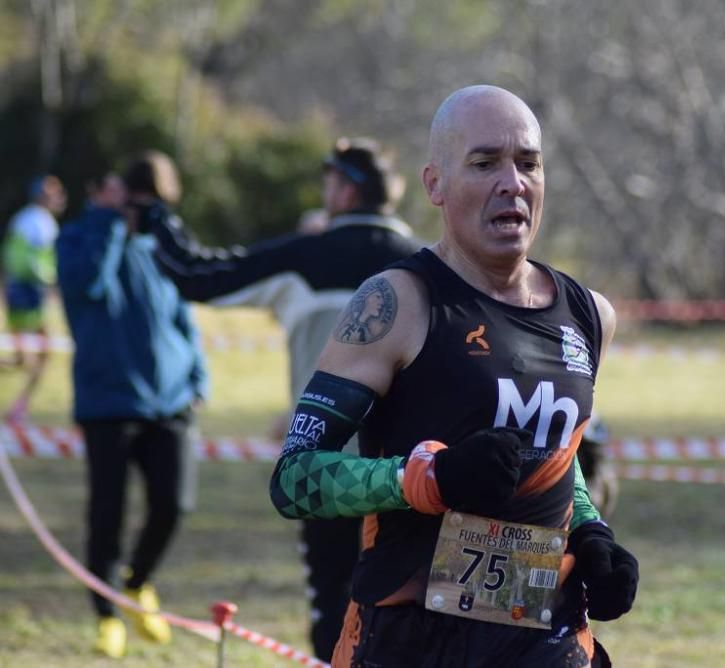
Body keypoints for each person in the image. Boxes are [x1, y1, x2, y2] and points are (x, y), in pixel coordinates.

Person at [270, 85, 639, 667]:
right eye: (485, 162)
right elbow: (294, 478)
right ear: (435, 185)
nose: (512, 182)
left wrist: (593, 534)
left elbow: (557, 457)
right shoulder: (397, 304)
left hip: (541, 635)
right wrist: (426, 478)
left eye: (529, 164)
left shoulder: (589, 315)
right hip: (413, 639)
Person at [140, 137, 422, 659]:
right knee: (410, 613)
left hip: (327, 469)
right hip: (411, 473)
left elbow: (195, 274)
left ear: (343, 190)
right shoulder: (428, 267)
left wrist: (154, 213)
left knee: (334, 615)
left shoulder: (305, 254)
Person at [56, 158, 209, 659]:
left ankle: (136, 581)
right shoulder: (78, 239)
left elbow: (181, 313)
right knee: (108, 513)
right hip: (108, 403)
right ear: (98, 192)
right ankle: (105, 614)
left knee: (173, 504)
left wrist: (197, 376)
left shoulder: (156, 246)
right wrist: (106, 222)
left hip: (169, 402)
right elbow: (90, 285)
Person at [1, 174, 66, 421]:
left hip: (24, 293)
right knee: (35, 355)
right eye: (54, 192)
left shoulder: (30, 219)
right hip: (27, 294)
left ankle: (19, 408)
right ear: (41, 195)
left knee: (30, 355)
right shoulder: (38, 222)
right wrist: (51, 280)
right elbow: (27, 263)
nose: (60, 197)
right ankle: (19, 409)